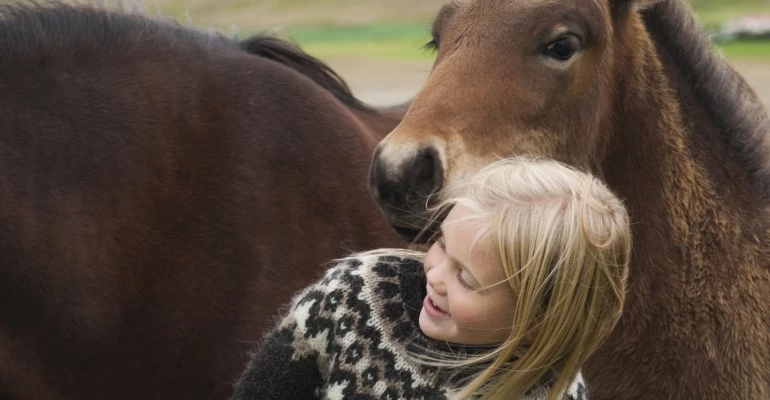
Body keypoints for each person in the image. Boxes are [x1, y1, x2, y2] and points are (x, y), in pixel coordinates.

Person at [231, 157, 631, 400]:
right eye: (440, 245)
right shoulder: (354, 298)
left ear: (535, 325)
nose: (436, 277)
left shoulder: (552, 391)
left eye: (468, 280)